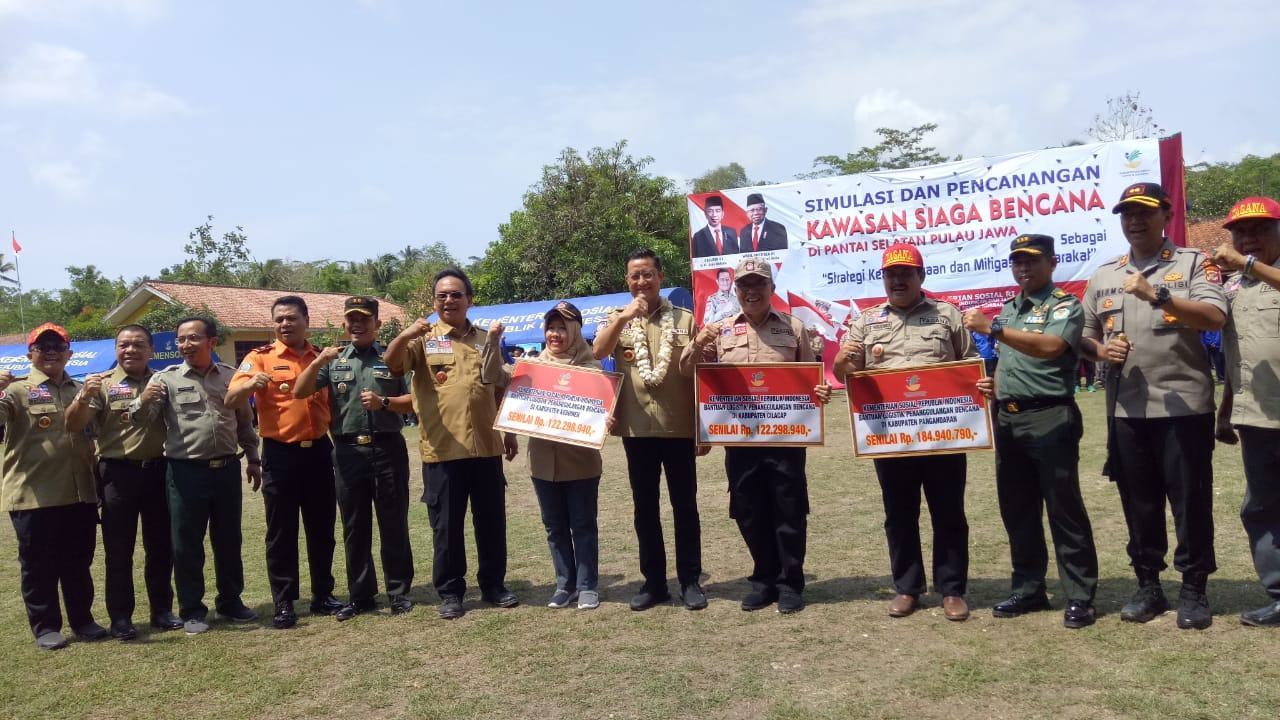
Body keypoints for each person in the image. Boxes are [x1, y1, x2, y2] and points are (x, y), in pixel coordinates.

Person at [1080, 181, 1227, 630]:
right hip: (1127, 410)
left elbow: (1215, 317)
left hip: (1183, 407)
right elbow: (1083, 334)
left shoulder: (1192, 263)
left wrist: (1158, 295)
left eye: (1144, 212)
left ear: (1166, 215)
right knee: (1139, 504)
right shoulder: (1104, 275)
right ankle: (1148, 585)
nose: (1135, 221)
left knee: (1190, 502)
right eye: (1127, 213)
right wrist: (1101, 351)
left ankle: (1194, 588)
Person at [963, 234, 1100, 629]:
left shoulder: (1064, 305)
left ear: (1052, 263)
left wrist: (993, 329)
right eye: (1017, 261)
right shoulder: (1010, 308)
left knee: (1063, 508)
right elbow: (1011, 359)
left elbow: (1052, 346)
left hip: (1049, 415)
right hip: (1008, 418)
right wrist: (993, 384)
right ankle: (1028, 588)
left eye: (1032, 260)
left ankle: (1079, 595)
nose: (1023, 268)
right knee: (1018, 509)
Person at [680, 257, 831, 614]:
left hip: (785, 436)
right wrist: (699, 341)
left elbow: (811, 375)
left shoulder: (793, 328)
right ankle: (764, 580)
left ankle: (790, 583)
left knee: (789, 508)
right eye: (744, 285)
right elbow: (687, 369)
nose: (751, 291)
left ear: (771, 289)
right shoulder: (720, 330)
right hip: (740, 438)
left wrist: (820, 391)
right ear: (736, 290)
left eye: (758, 284)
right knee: (748, 509)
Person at [835, 243, 976, 621]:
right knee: (899, 514)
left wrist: (981, 385)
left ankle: (952, 589)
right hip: (891, 436)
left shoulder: (947, 315)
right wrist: (843, 362)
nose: (897, 280)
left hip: (944, 434)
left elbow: (970, 364)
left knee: (949, 512)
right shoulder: (865, 322)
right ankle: (907, 587)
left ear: (920, 276)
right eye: (891, 274)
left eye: (905, 273)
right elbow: (845, 371)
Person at [385, 268, 520, 620]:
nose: (449, 300)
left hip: (486, 448)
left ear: (469, 300)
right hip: (443, 450)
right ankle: (450, 592)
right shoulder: (422, 340)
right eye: (442, 296)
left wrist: (509, 431)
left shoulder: (485, 338)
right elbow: (393, 365)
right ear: (434, 303)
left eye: (456, 294)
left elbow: (499, 386)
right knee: (446, 528)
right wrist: (406, 333)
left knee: (491, 523)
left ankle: (494, 585)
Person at [129, 316, 262, 635]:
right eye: (181, 339)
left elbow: (244, 421)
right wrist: (143, 400)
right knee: (186, 544)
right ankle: (192, 609)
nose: (185, 345)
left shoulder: (230, 376)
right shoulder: (166, 379)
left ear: (211, 342)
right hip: (185, 471)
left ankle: (230, 601)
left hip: (226, 469)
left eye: (193, 338)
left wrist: (253, 458)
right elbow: (140, 419)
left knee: (229, 539)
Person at [594, 248, 706, 611]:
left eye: (647, 274)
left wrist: (704, 428)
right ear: (627, 281)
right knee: (645, 509)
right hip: (637, 429)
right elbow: (598, 351)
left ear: (660, 277)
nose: (641, 281)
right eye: (634, 276)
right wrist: (624, 317)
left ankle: (690, 581)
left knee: (685, 507)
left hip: (679, 428)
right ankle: (654, 583)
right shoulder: (617, 318)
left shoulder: (685, 319)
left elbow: (698, 374)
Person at [294, 296, 416, 621]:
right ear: (345, 324)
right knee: (354, 524)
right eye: (352, 319)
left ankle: (399, 592)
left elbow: (415, 399)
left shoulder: (392, 357)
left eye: (364, 319)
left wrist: (384, 402)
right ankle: (361, 596)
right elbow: (299, 391)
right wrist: (318, 362)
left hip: (387, 448)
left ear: (377, 323)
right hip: (348, 451)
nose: (357, 324)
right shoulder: (333, 359)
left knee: (393, 521)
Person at [227, 296, 341, 629]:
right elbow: (230, 399)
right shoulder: (259, 358)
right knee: (281, 532)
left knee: (322, 529)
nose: (284, 324)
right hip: (280, 454)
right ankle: (284, 602)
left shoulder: (321, 357)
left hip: (319, 452)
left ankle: (323, 595)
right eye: (278, 319)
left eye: (291, 318)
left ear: (307, 321)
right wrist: (250, 384)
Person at [487, 302, 608, 610]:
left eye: (562, 328)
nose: (555, 334)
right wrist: (492, 343)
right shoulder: (530, 366)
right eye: (551, 328)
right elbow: (492, 376)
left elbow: (602, 410)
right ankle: (564, 584)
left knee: (583, 525)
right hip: (542, 463)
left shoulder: (592, 368)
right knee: (554, 527)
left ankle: (587, 586)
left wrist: (606, 418)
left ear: (576, 331)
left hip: (581, 462)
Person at [1, 323, 106, 650]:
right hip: (35, 494)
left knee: (78, 562)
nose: (50, 352)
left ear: (69, 354)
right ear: (29, 354)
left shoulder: (83, 389)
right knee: (38, 566)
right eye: (42, 347)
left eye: (57, 347)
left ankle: (82, 619)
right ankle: (46, 626)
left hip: (80, 491)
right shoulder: (15, 391)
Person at [86, 325, 182, 640]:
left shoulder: (164, 381)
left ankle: (162, 610)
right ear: (115, 349)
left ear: (151, 350)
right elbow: (82, 425)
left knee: (161, 546)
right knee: (119, 550)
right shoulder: (101, 384)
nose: (130, 350)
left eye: (138, 344)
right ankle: (121, 617)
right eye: (124, 345)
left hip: (158, 470)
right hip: (117, 473)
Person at [1210, 196, 1280, 626]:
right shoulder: (1234, 288)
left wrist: (1248, 263)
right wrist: (1225, 410)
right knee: (1262, 509)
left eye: (1259, 229)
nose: (1248, 239)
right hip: (1255, 418)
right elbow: (1237, 356)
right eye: (1240, 233)